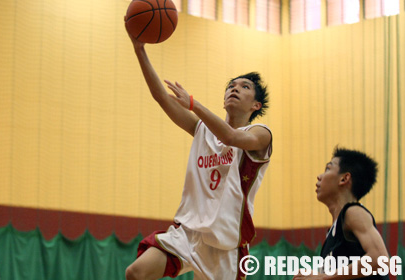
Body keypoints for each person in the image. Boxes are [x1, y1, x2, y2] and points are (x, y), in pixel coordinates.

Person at [124, 19, 273, 280]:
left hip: (226, 245)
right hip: (188, 233)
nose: (235, 88)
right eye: (231, 86)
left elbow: (229, 136)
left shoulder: (260, 135)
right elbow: (160, 96)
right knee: (136, 272)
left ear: (256, 106)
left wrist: (193, 103)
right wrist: (139, 49)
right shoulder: (202, 129)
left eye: (244, 87)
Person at [293, 147, 390, 280]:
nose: (319, 176)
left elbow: (380, 259)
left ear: (344, 178)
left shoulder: (354, 212)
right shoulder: (333, 233)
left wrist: (322, 277)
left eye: (328, 169)